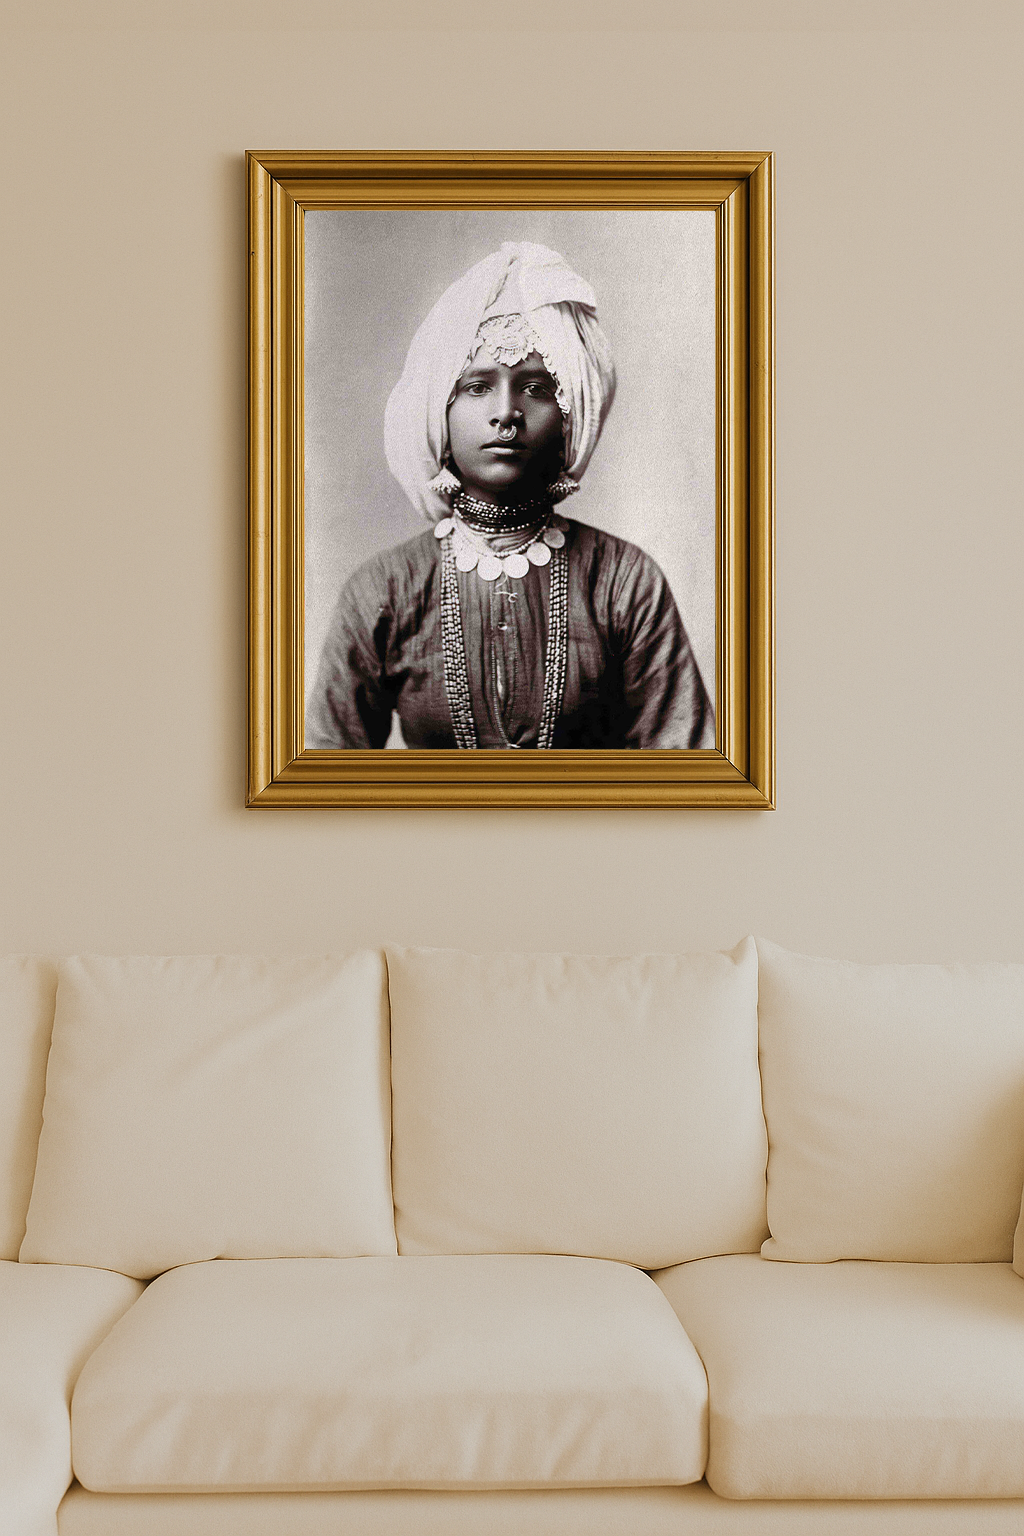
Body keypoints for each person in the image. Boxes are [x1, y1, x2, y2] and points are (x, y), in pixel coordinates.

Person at [306, 241, 714, 750]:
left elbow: (683, 764)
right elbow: (328, 768)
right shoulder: (385, 590)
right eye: (478, 387)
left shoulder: (624, 581)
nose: (506, 412)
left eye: (536, 388)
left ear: (568, 419)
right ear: (440, 415)